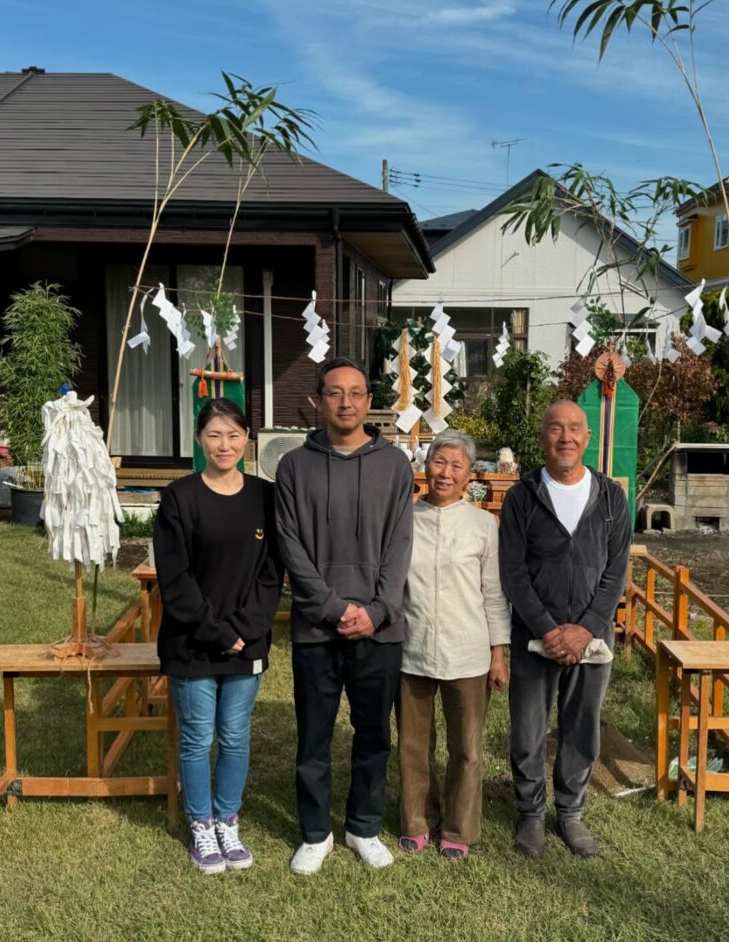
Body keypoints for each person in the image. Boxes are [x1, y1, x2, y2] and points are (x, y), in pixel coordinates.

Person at [274, 357, 413, 875]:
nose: (347, 403)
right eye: (335, 393)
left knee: (373, 733)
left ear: (369, 400)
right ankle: (315, 832)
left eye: (356, 393)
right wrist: (333, 608)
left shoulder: (395, 466)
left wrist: (377, 610)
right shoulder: (293, 467)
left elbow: (401, 544)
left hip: (380, 628)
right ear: (319, 400)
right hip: (316, 626)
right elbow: (290, 544)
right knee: (313, 734)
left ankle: (363, 826)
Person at [153, 397, 282, 875]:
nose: (224, 444)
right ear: (198, 439)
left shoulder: (265, 497)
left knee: (234, 735)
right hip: (192, 642)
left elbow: (272, 574)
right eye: (214, 435)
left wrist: (244, 631)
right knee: (196, 737)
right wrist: (216, 632)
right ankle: (201, 824)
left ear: (247, 439)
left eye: (233, 435)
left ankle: (228, 819)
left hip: (248, 641)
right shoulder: (179, 498)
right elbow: (175, 579)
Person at [499, 400, 631, 859]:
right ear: (543, 437)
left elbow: (616, 572)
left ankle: (571, 812)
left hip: (592, 640)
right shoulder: (522, 496)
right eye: (556, 428)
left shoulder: (612, 497)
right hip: (535, 635)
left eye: (575, 429)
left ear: (588, 438)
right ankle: (531, 814)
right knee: (528, 728)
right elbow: (512, 571)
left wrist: (587, 629)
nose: (566, 437)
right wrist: (547, 629)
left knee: (581, 726)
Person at [397, 429, 510, 861]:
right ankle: (416, 820)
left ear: (469, 475)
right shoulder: (404, 519)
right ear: (425, 467)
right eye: (438, 462)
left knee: (467, 748)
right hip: (413, 647)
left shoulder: (483, 524)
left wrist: (498, 653)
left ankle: (460, 829)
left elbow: (494, 593)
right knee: (412, 743)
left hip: (469, 651)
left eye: (456, 465)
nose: (445, 472)